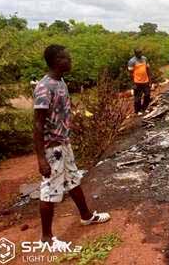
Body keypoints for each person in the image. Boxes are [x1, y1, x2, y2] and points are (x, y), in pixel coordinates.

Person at [33, 44, 110, 249]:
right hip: (52, 149)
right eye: (67, 58)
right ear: (57, 61)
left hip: (64, 144)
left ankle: (86, 216)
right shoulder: (44, 87)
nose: (70, 60)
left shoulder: (61, 82)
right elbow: (38, 124)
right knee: (49, 189)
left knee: (73, 179)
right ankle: (46, 238)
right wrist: (41, 158)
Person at [128, 48, 151, 115]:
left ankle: (144, 108)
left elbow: (148, 69)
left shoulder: (145, 59)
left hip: (145, 80)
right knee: (138, 97)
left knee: (147, 95)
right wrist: (133, 84)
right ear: (135, 54)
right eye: (138, 53)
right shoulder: (131, 61)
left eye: (141, 52)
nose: (140, 54)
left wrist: (150, 79)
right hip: (137, 82)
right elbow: (130, 73)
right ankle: (137, 110)